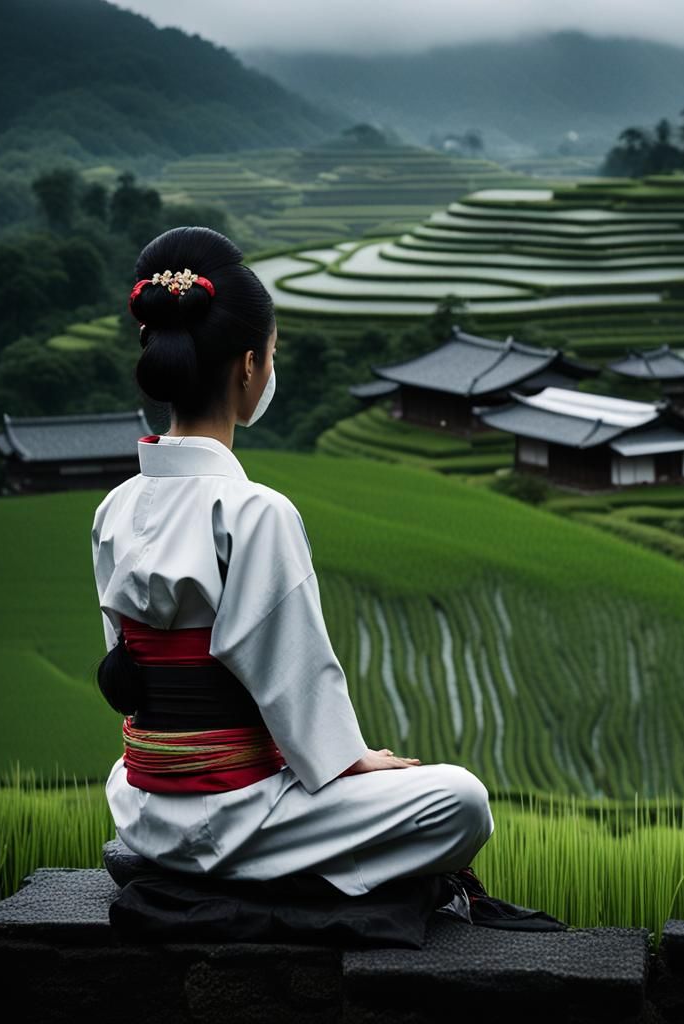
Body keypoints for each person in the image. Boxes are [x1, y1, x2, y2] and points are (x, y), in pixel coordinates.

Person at [93, 225, 495, 898]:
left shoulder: (114, 508)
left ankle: (184, 853)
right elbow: (292, 675)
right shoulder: (254, 513)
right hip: (244, 812)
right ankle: (275, 869)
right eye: (272, 355)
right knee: (461, 801)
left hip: (144, 808)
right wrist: (351, 760)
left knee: (124, 770)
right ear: (250, 366)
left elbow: (127, 677)